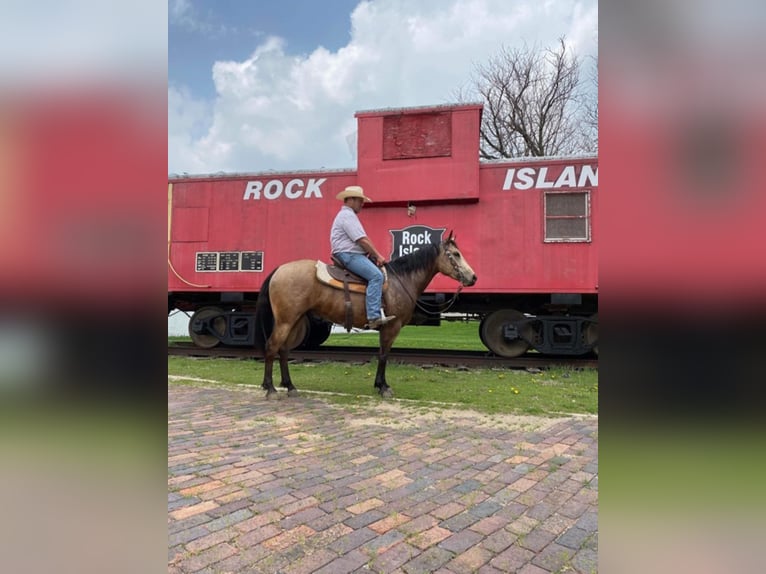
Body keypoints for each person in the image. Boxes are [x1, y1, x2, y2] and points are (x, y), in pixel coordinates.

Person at [330, 185, 396, 329]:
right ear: (351, 199)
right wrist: (378, 256)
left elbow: (364, 240)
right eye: (360, 200)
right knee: (376, 276)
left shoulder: (346, 215)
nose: (362, 203)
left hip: (348, 253)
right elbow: (362, 240)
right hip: (349, 254)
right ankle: (373, 316)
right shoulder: (348, 216)